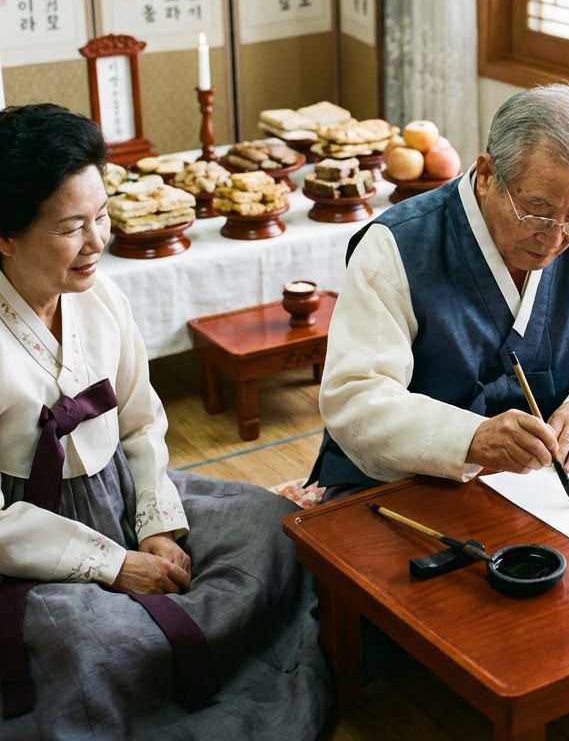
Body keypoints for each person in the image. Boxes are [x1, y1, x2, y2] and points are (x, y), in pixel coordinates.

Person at [0, 104, 331, 739]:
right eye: (71, 227)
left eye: (101, 216)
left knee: (273, 527)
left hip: (119, 493)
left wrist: (154, 526)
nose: (97, 242)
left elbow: (140, 423)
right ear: (5, 236)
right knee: (88, 639)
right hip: (31, 542)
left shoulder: (102, 296)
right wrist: (113, 565)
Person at [309, 84, 569, 496]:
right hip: (401, 484)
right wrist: (470, 438)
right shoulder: (396, 245)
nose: (555, 238)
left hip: (539, 483)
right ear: (486, 175)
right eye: (537, 211)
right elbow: (356, 397)